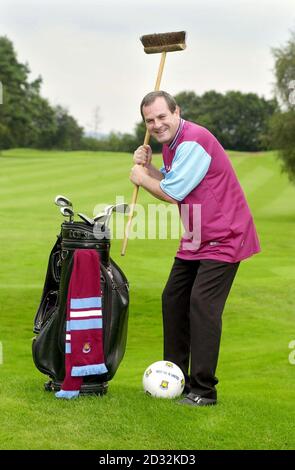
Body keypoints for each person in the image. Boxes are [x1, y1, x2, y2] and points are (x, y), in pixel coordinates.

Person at [130, 91, 260, 407]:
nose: (157, 124)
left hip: (226, 234)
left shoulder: (194, 140)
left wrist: (139, 178)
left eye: (162, 116)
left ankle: (203, 390)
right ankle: (173, 379)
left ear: (177, 111)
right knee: (173, 298)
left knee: (202, 304)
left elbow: (173, 193)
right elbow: (173, 179)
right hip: (197, 236)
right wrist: (148, 169)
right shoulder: (171, 145)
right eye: (150, 120)